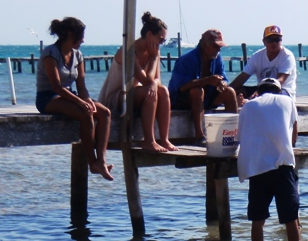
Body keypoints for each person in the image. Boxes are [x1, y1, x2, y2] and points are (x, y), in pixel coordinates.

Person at [35, 17, 113, 180]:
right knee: (84, 113)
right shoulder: (51, 54)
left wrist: (88, 100)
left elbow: (81, 86)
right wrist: (80, 102)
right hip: (48, 97)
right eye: (81, 36)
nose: (83, 40)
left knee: (104, 113)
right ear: (70, 35)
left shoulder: (78, 55)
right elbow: (56, 86)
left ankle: (102, 160)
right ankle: (92, 162)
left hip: (70, 95)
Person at [99, 12, 177, 152]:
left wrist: (154, 82)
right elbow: (145, 79)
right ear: (149, 35)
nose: (162, 44)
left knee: (163, 90)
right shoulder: (129, 51)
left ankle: (164, 139)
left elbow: (156, 79)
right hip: (116, 97)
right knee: (150, 90)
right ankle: (149, 141)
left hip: (135, 95)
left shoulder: (154, 52)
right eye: (160, 39)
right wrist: (153, 59)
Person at [237, 77, 300, 241]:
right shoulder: (288, 101)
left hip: (257, 168)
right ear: (279, 91)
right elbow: (294, 136)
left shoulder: (248, 106)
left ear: (259, 91)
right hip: (283, 166)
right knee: (291, 219)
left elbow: (240, 137)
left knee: (258, 222)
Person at [168, 29, 238, 144]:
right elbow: (181, 87)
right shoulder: (186, 60)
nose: (219, 49)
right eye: (216, 46)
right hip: (182, 101)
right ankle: (199, 136)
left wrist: (222, 83)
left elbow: (224, 78)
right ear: (205, 44)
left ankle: (233, 135)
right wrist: (208, 80)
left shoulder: (218, 58)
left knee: (229, 92)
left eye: (220, 46)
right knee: (197, 91)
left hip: (208, 98)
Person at [229, 25, 297, 103]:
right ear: (264, 41)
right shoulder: (256, 56)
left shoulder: (287, 56)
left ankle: (247, 101)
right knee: (235, 91)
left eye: (277, 39)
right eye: (270, 40)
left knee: (268, 96)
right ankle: (241, 100)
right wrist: (227, 91)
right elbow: (242, 77)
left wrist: (261, 93)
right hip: (261, 90)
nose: (274, 43)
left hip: (283, 91)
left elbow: (280, 81)